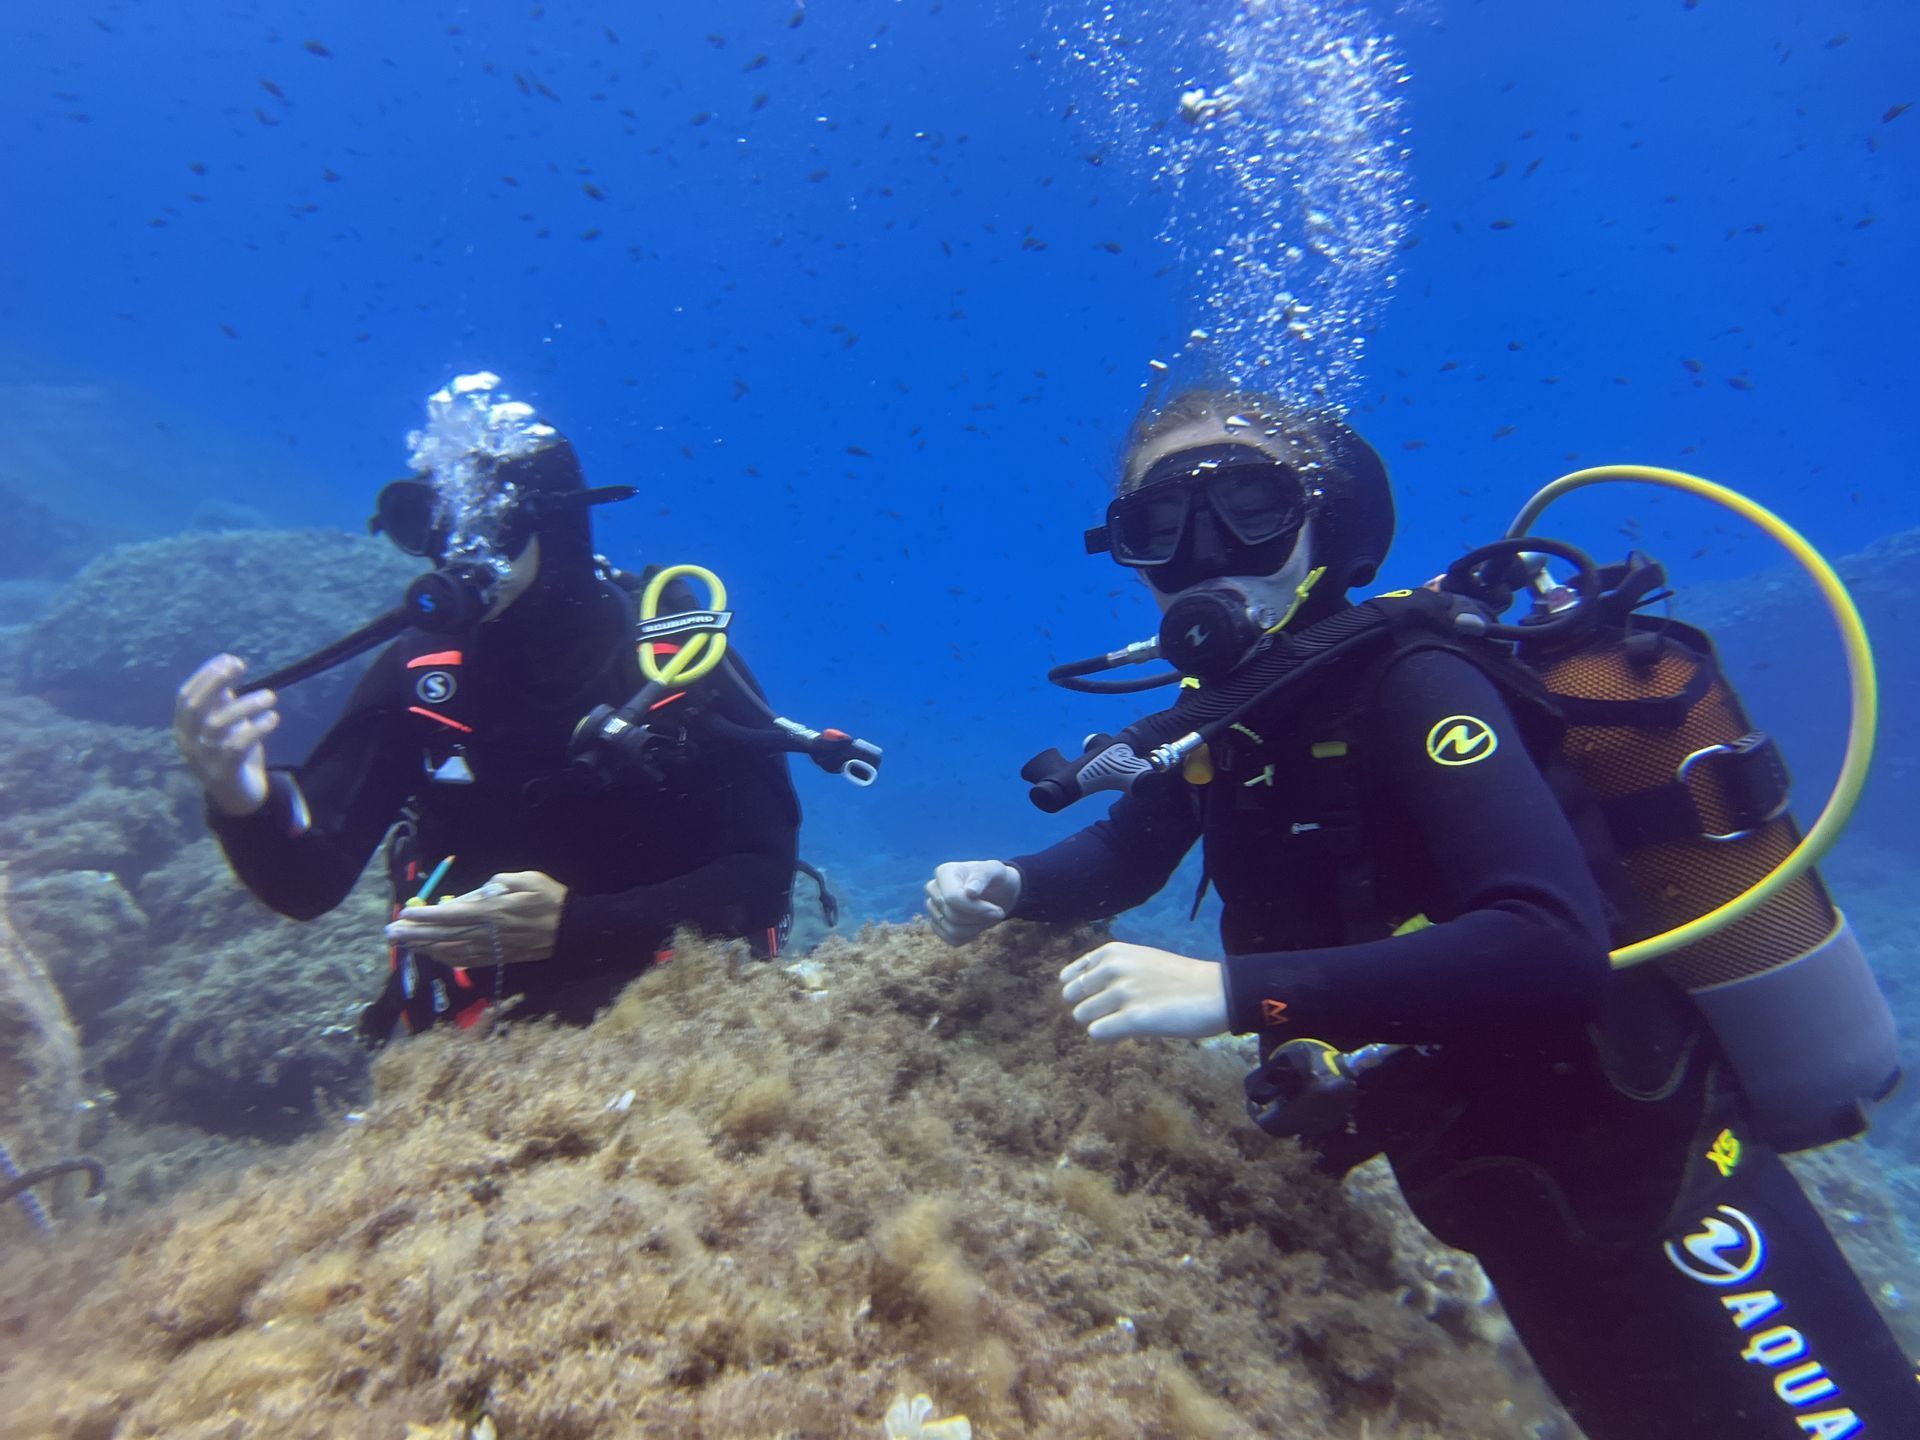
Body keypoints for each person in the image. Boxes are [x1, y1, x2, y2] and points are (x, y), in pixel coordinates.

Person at [926, 387, 1919, 1439]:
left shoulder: (1416, 680)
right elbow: (1126, 853)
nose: (1207, 549)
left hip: (1639, 1159)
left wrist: (1235, 994)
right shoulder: (1232, 714)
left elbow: (1552, 947)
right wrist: (1015, 883)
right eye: (1160, 526)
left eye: (1253, 504)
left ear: (1330, 521)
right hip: (1491, 1179)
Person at [175, 373, 808, 1040]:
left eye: (489, 523)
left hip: (673, 1026)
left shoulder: (671, 662)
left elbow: (762, 876)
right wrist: (243, 805)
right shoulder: (422, 675)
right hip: (479, 1041)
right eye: (432, 523)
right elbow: (310, 887)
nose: (459, 547)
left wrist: (576, 924)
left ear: (555, 524)